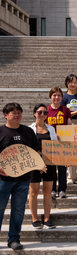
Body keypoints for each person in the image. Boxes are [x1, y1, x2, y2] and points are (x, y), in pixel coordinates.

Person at [0, 103, 41, 250]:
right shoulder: (1, 131)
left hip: (23, 179)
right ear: (6, 115)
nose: (16, 115)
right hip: (3, 180)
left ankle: (14, 239)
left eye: (19, 112)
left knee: (18, 210)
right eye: (13, 112)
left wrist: (40, 163)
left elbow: (36, 151)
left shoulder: (28, 131)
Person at [28, 104, 57, 229]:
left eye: (45, 113)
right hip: (34, 164)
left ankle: (47, 218)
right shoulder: (29, 129)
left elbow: (56, 147)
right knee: (33, 192)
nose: (43, 115)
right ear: (35, 113)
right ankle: (35, 219)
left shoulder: (51, 129)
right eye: (40, 112)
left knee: (48, 191)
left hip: (49, 163)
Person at [61, 74, 77, 184]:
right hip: (69, 124)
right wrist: (76, 112)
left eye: (75, 82)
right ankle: (71, 177)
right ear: (67, 83)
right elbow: (62, 114)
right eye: (71, 82)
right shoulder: (64, 98)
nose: (73, 84)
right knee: (70, 151)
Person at [47, 87, 72, 198]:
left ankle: (62, 190)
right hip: (50, 143)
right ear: (50, 96)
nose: (56, 97)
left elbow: (69, 125)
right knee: (51, 168)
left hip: (63, 142)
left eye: (59, 95)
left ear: (62, 97)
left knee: (62, 168)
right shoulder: (46, 110)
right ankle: (52, 189)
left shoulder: (65, 110)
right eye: (54, 95)